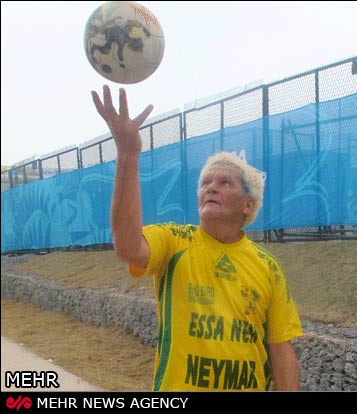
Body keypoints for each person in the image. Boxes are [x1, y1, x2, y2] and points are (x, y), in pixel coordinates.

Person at [91, 85, 303, 391]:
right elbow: (127, 246)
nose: (210, 188)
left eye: (224, 182)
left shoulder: (267, 267)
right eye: (205, 182)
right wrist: (128, 154)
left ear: (248, 204)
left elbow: (281, 349)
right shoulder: (175, 241)